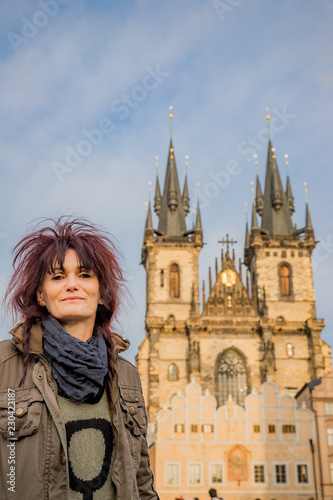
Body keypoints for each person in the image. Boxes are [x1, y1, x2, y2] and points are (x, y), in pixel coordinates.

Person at [0, 218, 159, 500]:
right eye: (58, 277)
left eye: (85, 275)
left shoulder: (127, 374)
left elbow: (141, 480)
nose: (72, 284)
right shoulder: (5, 365)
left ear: (101, 293)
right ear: (41, 294)